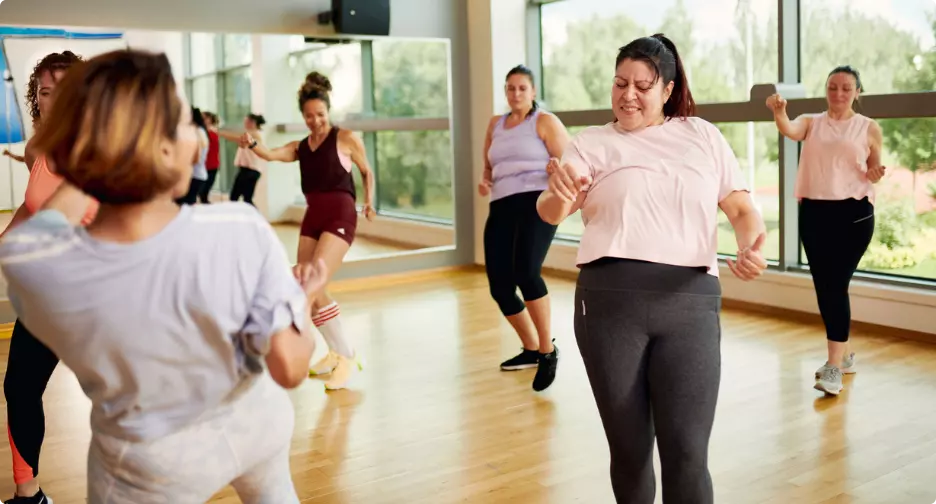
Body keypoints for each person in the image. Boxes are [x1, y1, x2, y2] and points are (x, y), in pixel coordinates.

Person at [0, 49, 323, 503]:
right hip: (257, 428)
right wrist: (303, 301)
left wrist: (79, 164)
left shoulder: (42, 269)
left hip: (149, 467)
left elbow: (30, 238)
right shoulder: (243, 228)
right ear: (172, 151)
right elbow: (289, 367)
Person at [536, 34, 767, 503]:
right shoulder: (593, 143)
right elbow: (550, 210)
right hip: (608, 307)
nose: (628, 95)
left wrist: (752, 247)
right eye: (620, 83)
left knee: (687, 454)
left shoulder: (702, 136)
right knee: (630, 451)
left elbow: (742, 211)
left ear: (667, 89)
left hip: (690, 306)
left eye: (643, 85)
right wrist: (559, 192)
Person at [1, 50, 95, 504]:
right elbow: (32, 206)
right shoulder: (38, 150)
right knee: (19, 385)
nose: (53, 101)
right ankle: (28, 495)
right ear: (35, 102)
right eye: (44, 92)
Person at [242, 71, 375, 391]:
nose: (315, 121)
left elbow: (366, 170)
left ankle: (346, 355)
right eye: (309, 116)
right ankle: (336, 351)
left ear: (328, 112)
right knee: (306, 280)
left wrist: (369, 203)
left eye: (321, 115)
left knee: (313, 286)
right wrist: (254, 144)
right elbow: (272, 154)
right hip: (313, 216)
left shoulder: (345, 137)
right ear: (302, 116)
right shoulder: (301, 147)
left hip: (340, 214)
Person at [767, 65, 884, 396]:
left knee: (835, 286)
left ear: (857, 92)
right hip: (815, 213)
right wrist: (780, 111)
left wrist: (875, 173)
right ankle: (844, 356)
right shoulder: (811, 122)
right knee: (825, 287)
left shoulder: (869, 128)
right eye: (833, 87)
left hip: (854, 214)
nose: (838, 93)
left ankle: (833, 367)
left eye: (846, 88)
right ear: (826, 90)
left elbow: (875, 167)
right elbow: (789, 129)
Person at [479, 64, 569, 391]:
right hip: (501, 204)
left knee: (527, 274)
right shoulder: (495, 124)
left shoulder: (544, 122)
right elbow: (489, 163)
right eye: (510, 88)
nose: (515, 94)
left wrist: (556, 167)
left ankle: (547, 350)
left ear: (533, 92)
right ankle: (530, 349)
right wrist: (485, 179)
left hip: (537, 201)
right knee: (500, 287)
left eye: (522, 88)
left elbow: (571, 162)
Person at [216, 113, 266, 206]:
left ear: (253, 122)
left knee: (237, 197)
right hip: (249, 170)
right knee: (245, 198)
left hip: (250, 170)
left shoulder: (254, 134)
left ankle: (252, 218)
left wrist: (217, 131)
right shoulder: (252, 134)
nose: (244, 124)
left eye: (246, 122)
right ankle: (251, 218)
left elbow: (236, 137)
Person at [176, 106, 209, 205]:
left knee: (184, 206)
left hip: (195, 176)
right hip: (196, 175)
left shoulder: (197, 131)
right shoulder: (199, 131)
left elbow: (196, 157)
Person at [198, 111, 221, 203]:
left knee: (203, 194)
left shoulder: (212, 131)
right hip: (203, 166)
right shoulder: (201, 131)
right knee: (201, 194)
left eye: (204, 118)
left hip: (211, 166)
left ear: (210, 119)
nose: (202, 120)